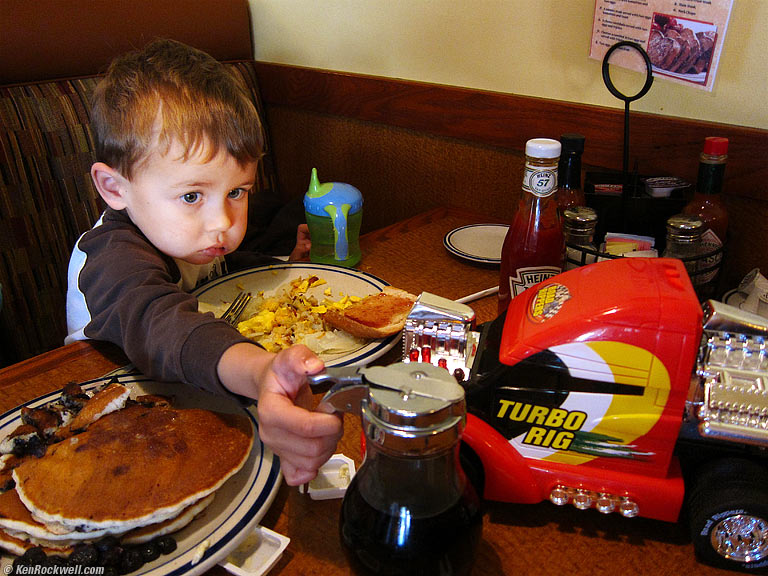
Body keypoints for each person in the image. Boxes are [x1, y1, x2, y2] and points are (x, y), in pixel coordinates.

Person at [65, 38, 340, 485]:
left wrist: (281, 261)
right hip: (109, 428)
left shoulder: (189, 237)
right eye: (192, 196)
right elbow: (160, 322)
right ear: (115, 188)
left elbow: (222, 274)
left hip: (188, 398)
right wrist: (260, 371)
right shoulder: (111, 257)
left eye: (237, 191)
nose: (223, 223)